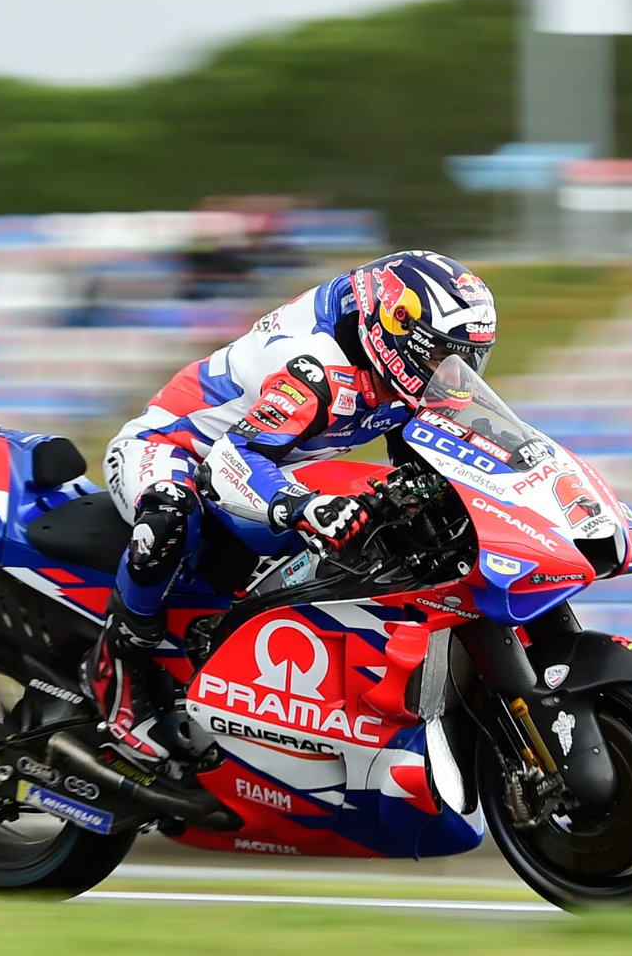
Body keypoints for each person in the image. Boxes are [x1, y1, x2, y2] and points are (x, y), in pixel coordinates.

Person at [87, 251, 498, 762]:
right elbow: (230, 461)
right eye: (442, 356)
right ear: (398, 327)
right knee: (170, 516)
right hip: (174, 451)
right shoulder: (316, 367)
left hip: (269, 462)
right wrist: (304, 507)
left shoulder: (401, 363)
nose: (454, 373)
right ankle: (118, 665)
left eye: (469, 358)